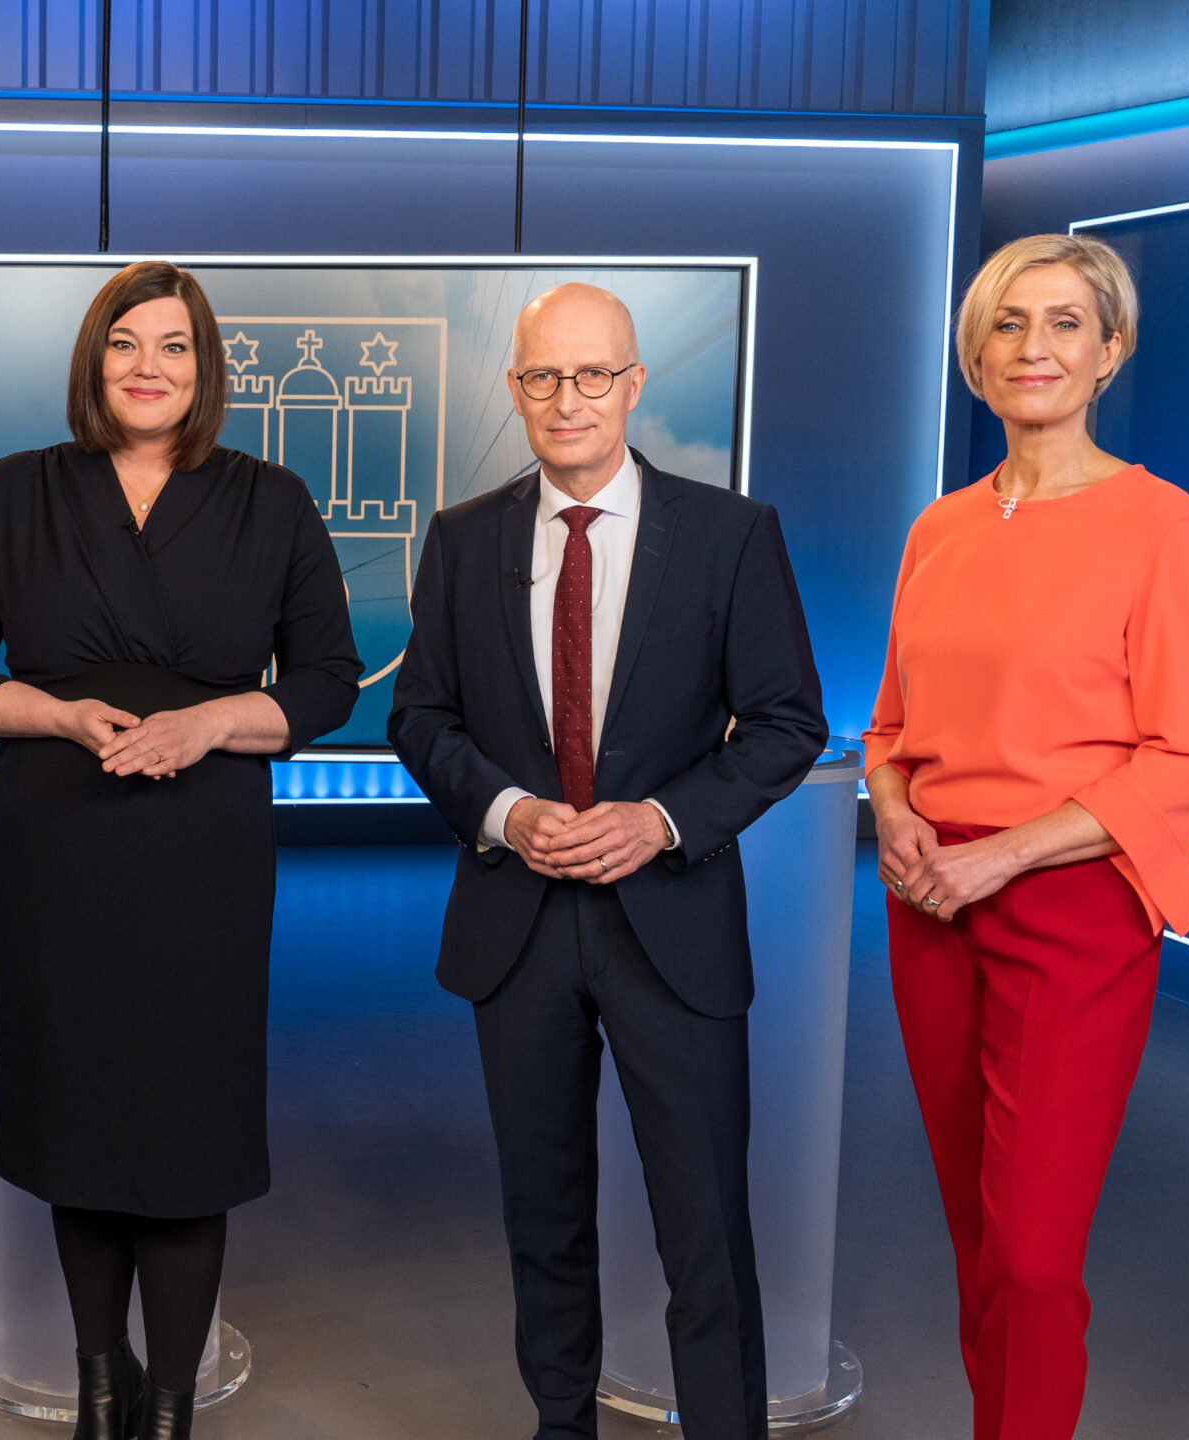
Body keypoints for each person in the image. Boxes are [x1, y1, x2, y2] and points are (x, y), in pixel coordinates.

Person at [0, 260, 359, 1440]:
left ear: (206, 368)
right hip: (59, 849)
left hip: (203, 855)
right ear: (91, 360)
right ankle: (98, 1380)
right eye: (123, 343)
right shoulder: (15, 491)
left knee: (187, 1122)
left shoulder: (273, 499)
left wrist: (211, 723)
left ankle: (167, 1405)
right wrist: (56, 715)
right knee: (80, 1114)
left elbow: (326, 685)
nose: (146, 368)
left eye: (172, 346)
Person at [387, 283, 826, 1440]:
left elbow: (786, 722)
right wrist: (507, 810)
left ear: (634, 385)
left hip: (668, 923)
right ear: (516, 387)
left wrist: (662, 821)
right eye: (542, 377)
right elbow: (420, 719)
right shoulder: (463, 537)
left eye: (591, 376)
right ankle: (560, 1426)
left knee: (702, 1225)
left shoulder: (732, 534)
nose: (565, 399)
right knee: (543, 1215)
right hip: (516, 926)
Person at [863, 234, 1189, 1440]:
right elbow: (890, 724)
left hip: (1069, 904)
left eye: (1066, 323)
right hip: (931, 906)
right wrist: (899, 817)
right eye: (1008, 324)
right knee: (979, 1239)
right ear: (975, 357)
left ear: (1111, 352)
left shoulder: (1159, 525)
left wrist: (1004, 853)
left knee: (1030, 1255)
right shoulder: (939, 528)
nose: (1034, 348)